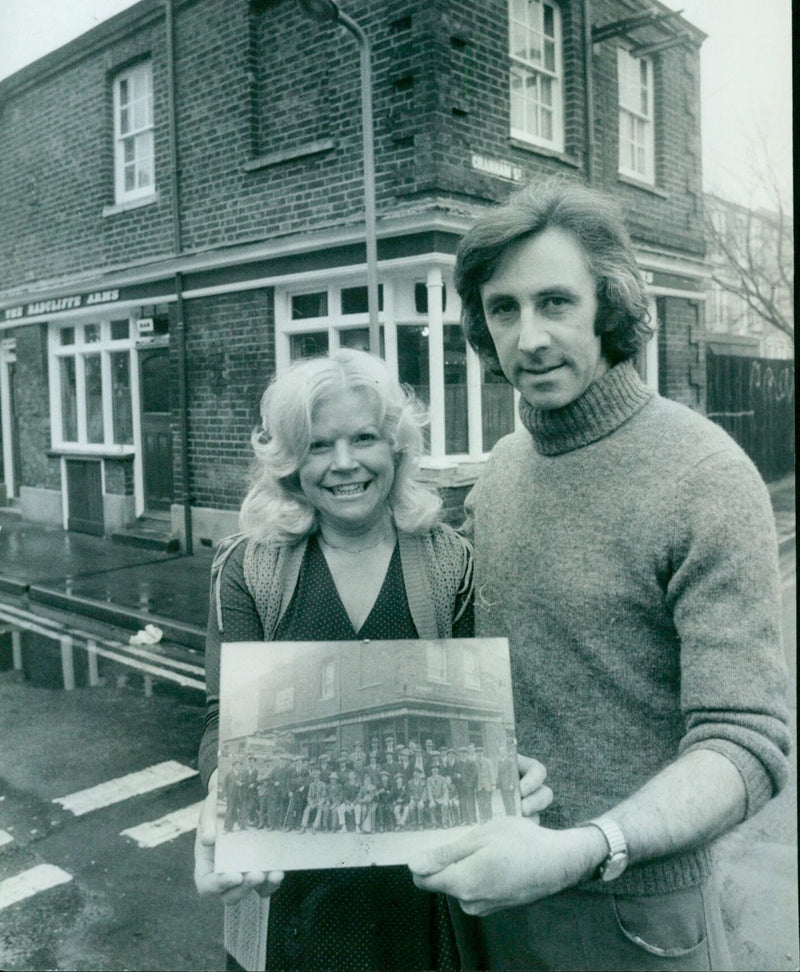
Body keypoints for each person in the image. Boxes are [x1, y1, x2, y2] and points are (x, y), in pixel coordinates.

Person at [410, 180, 791, 971]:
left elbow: (748, 743)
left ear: (609, 307)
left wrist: (586, 846)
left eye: (556, 302)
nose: (530, 337)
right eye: (503, 309)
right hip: (495, 896)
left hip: (633, 913)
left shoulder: (705, 475)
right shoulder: (505, 469)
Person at [194, 349, 548, 971]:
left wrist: (500, 776)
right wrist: (224, 799)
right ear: (287, 462)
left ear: (398, 448)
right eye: (317, 445)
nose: (344, 463)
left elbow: (476, 712)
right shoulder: (248, 569)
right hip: (289, 901)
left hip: (419, 899)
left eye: (364, 438)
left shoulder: (451, 563)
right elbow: (220, 725)